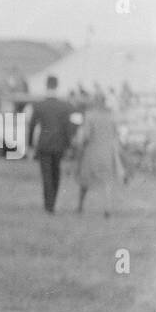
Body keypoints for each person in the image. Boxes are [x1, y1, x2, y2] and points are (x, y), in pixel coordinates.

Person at [27, 75, 76, 214]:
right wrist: (68, 145)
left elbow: (31, 126)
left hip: (44, 143)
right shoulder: (65, 106)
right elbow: (68, 127)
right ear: (57, 86)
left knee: (46, 175)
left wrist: (30, 144)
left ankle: (48, 205)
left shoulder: (39, 105)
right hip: (59, 144)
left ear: (46, 85)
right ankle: (52, 203)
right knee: (56, 173)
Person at [76, 98, 125, 216]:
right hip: (108, 151)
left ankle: (80, 205)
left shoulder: (90, 116)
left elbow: (86, 135)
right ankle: (107, 208)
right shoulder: (111, 116)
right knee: (107, 180)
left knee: (85, 178)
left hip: (92, 151)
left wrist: (80, 145)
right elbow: (116, 133)